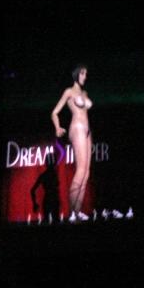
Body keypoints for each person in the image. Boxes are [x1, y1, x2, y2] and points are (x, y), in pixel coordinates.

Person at [51, 63, 93, 221]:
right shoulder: (69, 91)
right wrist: (57, 127)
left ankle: (78, 210)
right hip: (77, 127)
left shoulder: (85, 92)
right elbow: (54, 112)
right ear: (76, 74)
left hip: (87, 129)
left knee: (86, 173)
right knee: (80, 169)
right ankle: (72, 212)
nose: (84, 76)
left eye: (86, 74)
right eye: (82, 73)